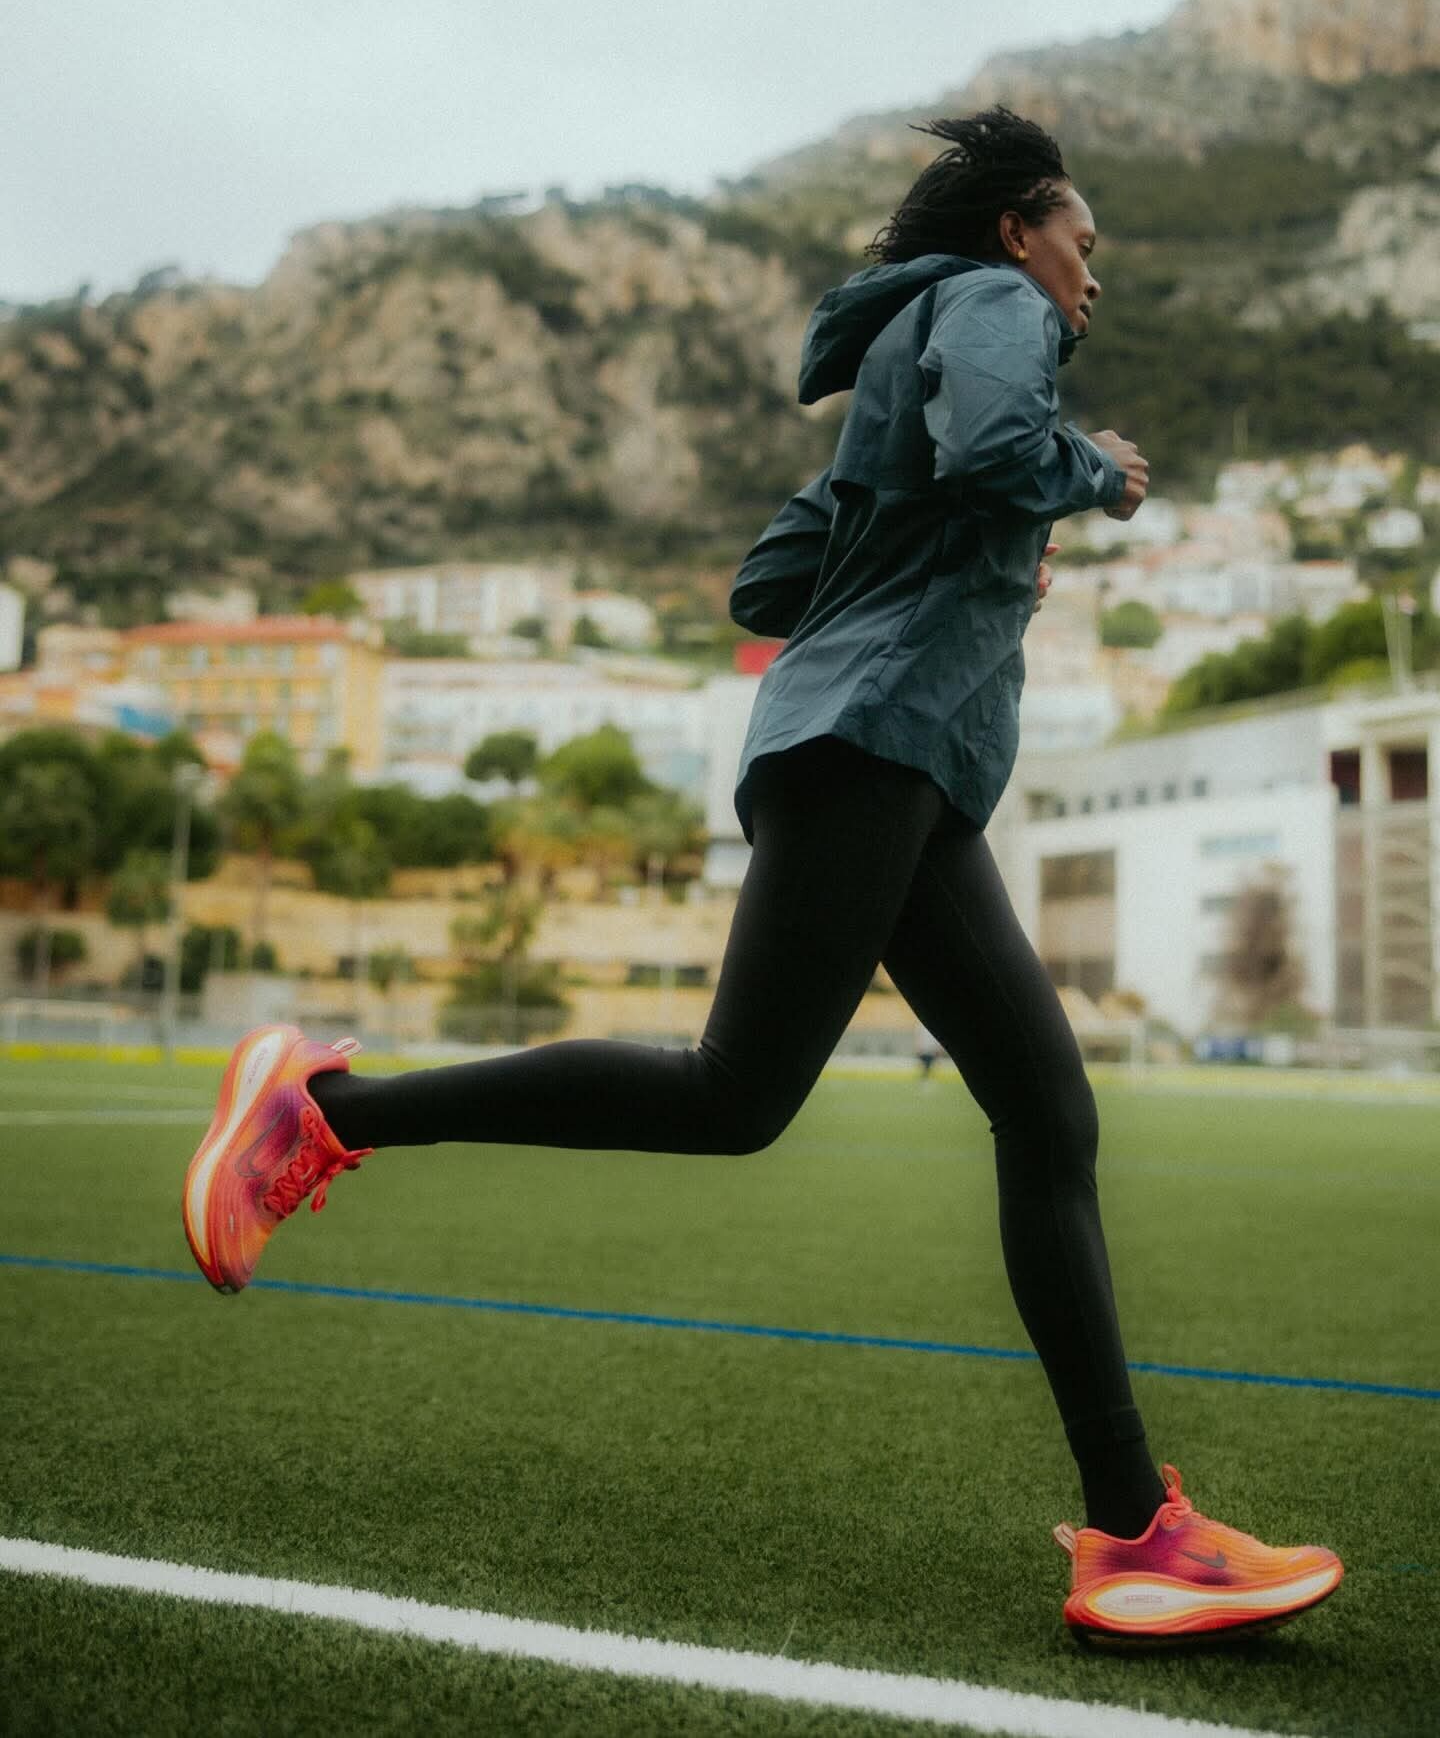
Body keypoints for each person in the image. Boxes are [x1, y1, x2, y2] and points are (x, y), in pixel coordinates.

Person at [182, 108, 1342, 1644]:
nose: (1093, 274)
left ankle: (1136, 1532)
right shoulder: (993, 305)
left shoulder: (896, 367)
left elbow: (769, 581)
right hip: (876, 748)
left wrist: (957, 531)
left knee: (1048, 1110)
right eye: (1083, 240)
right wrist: (1093, 475)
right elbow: (1000, 448)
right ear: (1018, 231)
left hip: (903, 769)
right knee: (735, 1093)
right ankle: (320, 1108)